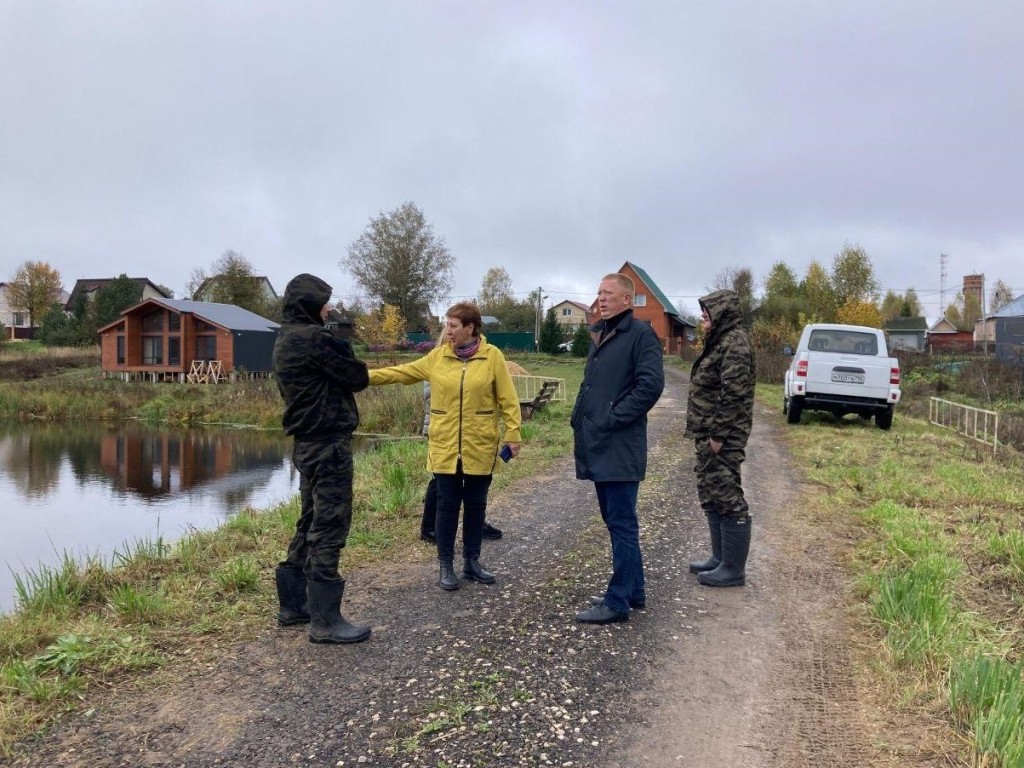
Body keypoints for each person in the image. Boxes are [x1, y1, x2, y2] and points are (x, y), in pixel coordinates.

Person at [369, 302, 521, 590]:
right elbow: (401, 373)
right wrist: (362, 377)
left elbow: (508, 400)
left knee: (476, 506)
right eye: (446, 325)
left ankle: (472, 563)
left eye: (452, 326)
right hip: (445, 445)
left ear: (470, 328)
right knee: (447, 506)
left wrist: (513, 434)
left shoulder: (493, 357)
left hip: (480, 443)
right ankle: (445, 566)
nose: (447, 331)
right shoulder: (437, 357)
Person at [272, 274, 372, 644]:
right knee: (330, 522)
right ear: (312, 305)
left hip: (305, 443)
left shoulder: (285, 337)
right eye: (325, 302)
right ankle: (326, 621)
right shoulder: (315, 339)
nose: (330, 309)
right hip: (328, 442)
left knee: (309, 518)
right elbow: (357, 377)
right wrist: (339, 340)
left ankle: (293, 605)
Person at [571, 273, 665, 624]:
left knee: (622, 522)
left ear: (628, 299)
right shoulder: (600, 334)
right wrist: (580, 416)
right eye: (598, 293)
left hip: (620, 445)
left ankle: (618, 601)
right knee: (615, 520)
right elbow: (591, 384)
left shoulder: (640, 335)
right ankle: (634, 590)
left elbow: (650, 386)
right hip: (598, 441)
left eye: (608, 293)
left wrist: (612, 417)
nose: (601, 298)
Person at [685, 289, 755, 587]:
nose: (703, 315)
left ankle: (733, 569)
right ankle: (719, 558)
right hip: (708, 432)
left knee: (727, 494)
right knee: (711, 493)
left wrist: (718, 435)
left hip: (722, 436)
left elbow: (734, 393)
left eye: (708, 310)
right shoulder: (720, 340)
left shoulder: (734, 342)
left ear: (723, 311)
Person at [420, 382, 504, 543]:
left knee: (475, 478)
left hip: (469, 429)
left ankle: (476, 523)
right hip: (445, 428)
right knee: (441, 480)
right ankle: (429, 528)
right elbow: (434, 395)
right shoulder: (440, 359)